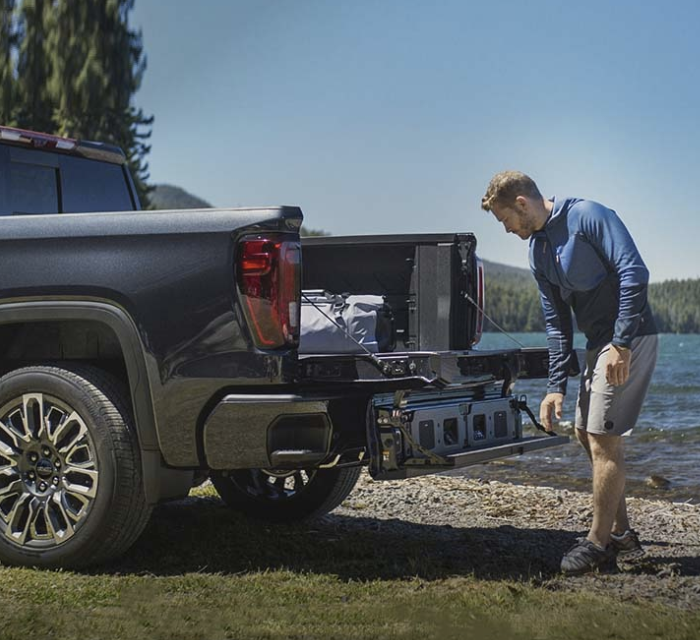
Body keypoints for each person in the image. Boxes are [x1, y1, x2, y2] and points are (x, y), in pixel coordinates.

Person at [480, 171, 659, 576]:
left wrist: (622, 343)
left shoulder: (589, 216)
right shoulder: (538, 252)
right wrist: (554, 387)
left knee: (602, 436)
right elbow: (557, 323)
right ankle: (623, 535)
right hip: (599, 345)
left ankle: (597, 543)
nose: (508, 230)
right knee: (585, 432)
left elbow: (634, 272)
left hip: (631, 338)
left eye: (505, 219)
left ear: (522, 203)